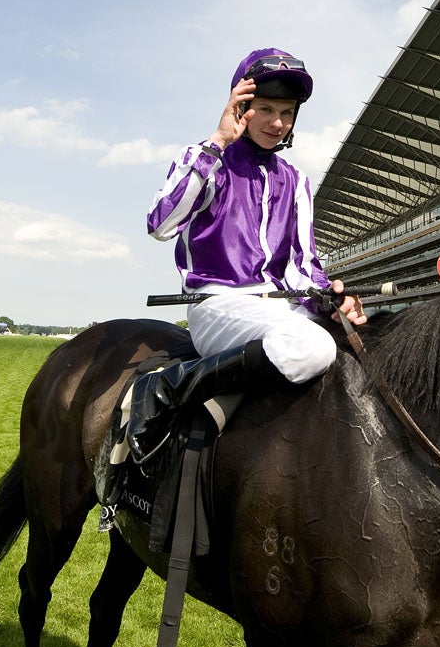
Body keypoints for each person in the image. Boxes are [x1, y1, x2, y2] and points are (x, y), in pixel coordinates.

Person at [131, 48, 366, 459]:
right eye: (266, 109)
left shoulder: (296, 181)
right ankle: (170, 387)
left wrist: (330, 297)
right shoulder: (205, 159)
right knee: (313, 348)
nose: (278, 123)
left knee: (362, 339)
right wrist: (218, 141)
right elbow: (160, 225)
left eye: (287, 112)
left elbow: (303, 265)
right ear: (241, 107)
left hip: (281, 309)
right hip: (218, 306)